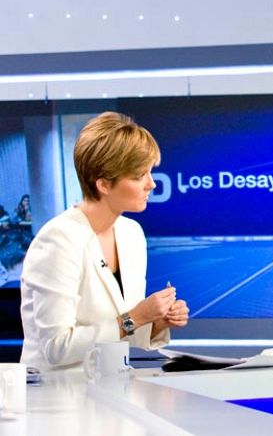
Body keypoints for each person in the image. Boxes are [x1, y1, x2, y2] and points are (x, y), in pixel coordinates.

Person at [20, 112, 190, 371]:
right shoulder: (58, 240)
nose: (152, 184)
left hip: (111, 384)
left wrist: (157, 321)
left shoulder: (131, 233)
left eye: (150, 173)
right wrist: (138, 316)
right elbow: (57, 348)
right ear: (104, 185)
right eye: (139, 176)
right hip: (54, 390)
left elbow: (122, 331)